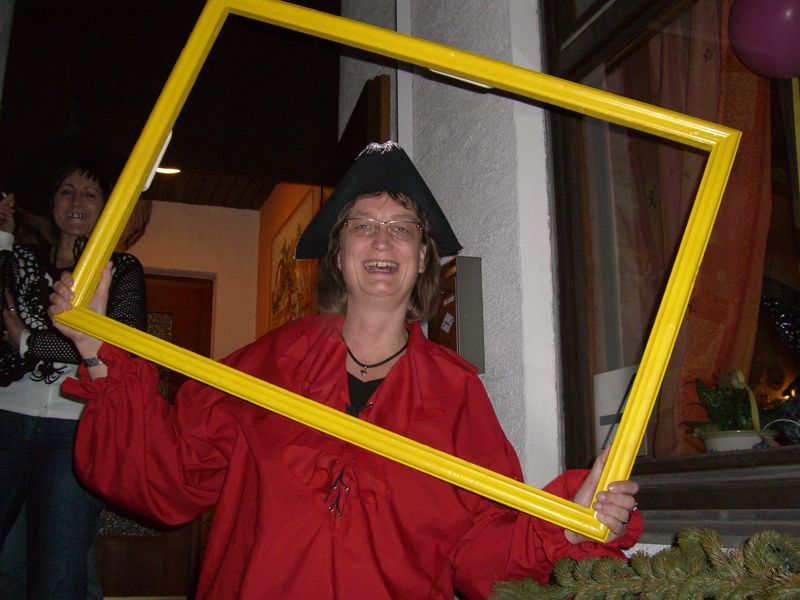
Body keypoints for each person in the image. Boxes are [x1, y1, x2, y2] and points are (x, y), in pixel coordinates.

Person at [50, 141, 641, 599]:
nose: (382, 240)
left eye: (401, 228)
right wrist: (97, 351)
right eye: (363, 225)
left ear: (422, 257)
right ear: (338, 254)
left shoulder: (456, 392)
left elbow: (477, 555)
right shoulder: (271, 362)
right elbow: (166, 477)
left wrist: (566, 526)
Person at [0, 155, 147, 599]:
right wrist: (3, 236)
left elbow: (118, 346)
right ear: (53, 204)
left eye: (90, 193)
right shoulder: (21, 259)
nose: (77, 201)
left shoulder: (121, 269)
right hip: (6, 417)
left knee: (60, 572)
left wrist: (25, 339)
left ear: (106, 207)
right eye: (67, 191)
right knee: (7, 568)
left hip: (74, 428)